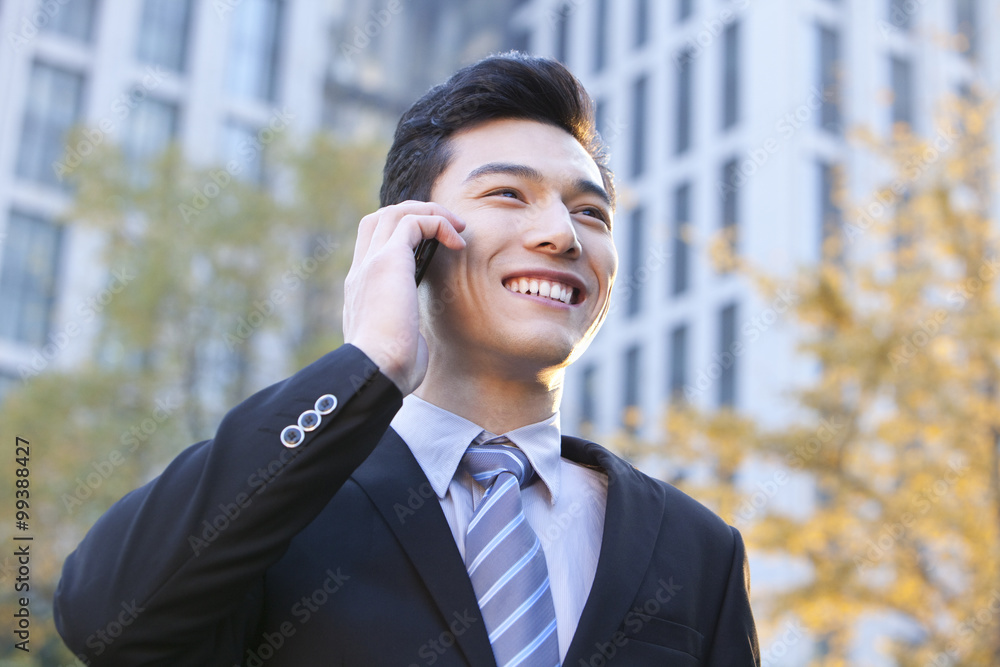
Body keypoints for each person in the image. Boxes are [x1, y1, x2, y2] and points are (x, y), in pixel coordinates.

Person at [54, 52, 760, 666]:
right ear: (412, 236)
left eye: (591, 213)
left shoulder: (698, 549)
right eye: (509, 194)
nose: (561, 235)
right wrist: (368, 362)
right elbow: (105, 618)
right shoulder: (290, 499)